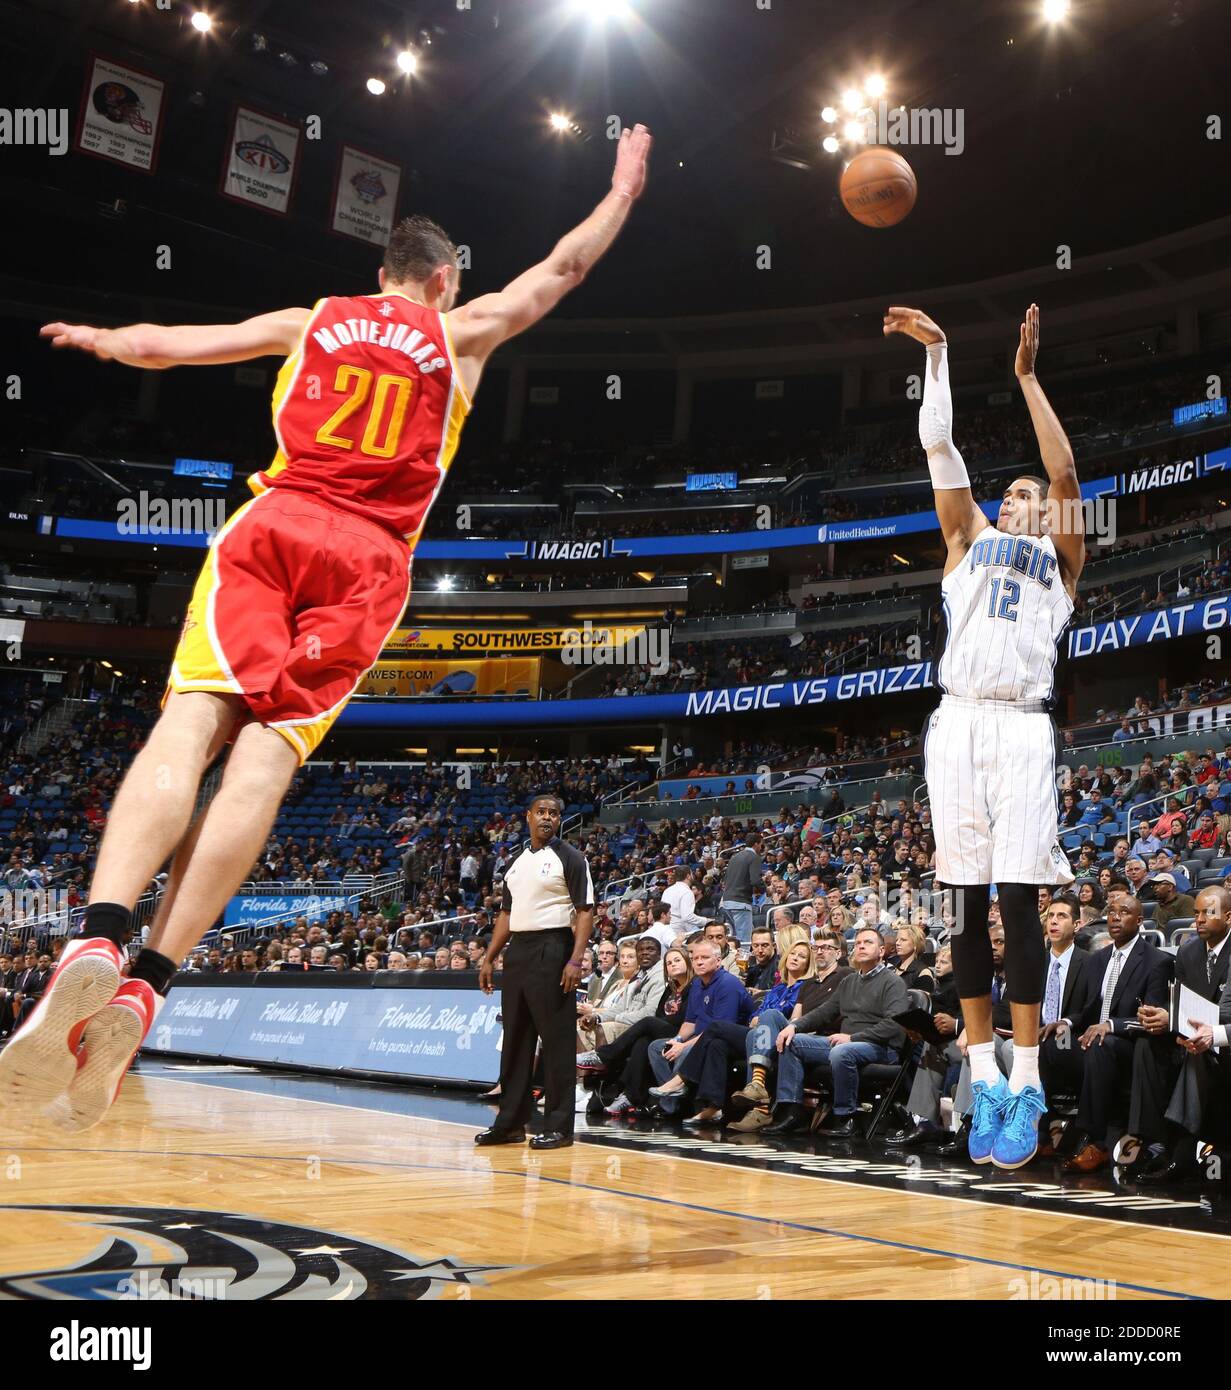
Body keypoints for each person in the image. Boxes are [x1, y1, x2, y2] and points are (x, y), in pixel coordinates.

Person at [1, 123, 653, 1130]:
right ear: (441, 279)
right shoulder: (462, 332)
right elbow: (562, 269)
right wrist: (622, 188)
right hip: (369, 559)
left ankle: (95, 937)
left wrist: (103, 343)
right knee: (262, 764)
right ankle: (148, 984)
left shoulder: (315, 318)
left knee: (189, 722)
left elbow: (175, 347)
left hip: (274, 526)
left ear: (382, 272)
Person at [884, 302, 1084, 1169]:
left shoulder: (1062, 561)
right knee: (963, 902)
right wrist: (937, 357)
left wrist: (1028, 377)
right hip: (957, 721)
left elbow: (1067, 470)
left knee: (1015, 899)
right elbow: (942, 453)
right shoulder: (968, 540)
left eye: (1024, 495)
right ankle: (984, 1071)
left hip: (1021, 726)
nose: (1016, 498)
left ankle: (1029, 1073)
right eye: (1009, 493)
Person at [475, 793, 596, 1151]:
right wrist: (489, 956)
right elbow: (506, 916)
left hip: (553, 945)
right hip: (519, 951)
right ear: (528, 816)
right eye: (541, 812)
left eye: (553, 814)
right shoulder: (515, 862)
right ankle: (510, 1123)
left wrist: (575, 960)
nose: (547, 818)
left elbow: (585, 911)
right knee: (516, 1040)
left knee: (557, 1040)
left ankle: (560, 1127)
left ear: (560, 820)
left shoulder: (570, 858)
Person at [763, 927, 908, 1137]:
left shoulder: (893, 982)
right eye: (858, 943)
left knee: (842, 1052)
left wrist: (852, 1038)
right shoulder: (849, 981)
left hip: (882, 1047)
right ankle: (793, 1111)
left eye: (867, 942)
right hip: (847, 1043)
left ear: (882, 951)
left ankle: (846, 1116)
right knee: (791, 1041)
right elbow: (824, 1012)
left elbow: (894, 1025)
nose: (861, 946)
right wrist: (794, 1026)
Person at [720, 831, 763, 943]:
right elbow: (756, 880)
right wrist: (766, 889)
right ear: (756, 844)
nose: (761, 847)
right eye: (760, 844)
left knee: (735, 939)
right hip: (740, 903)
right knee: (744, 942)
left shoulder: (734, 857)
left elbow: (725, 880)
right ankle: (743, 960)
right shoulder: (754, 857)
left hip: (726, 903)